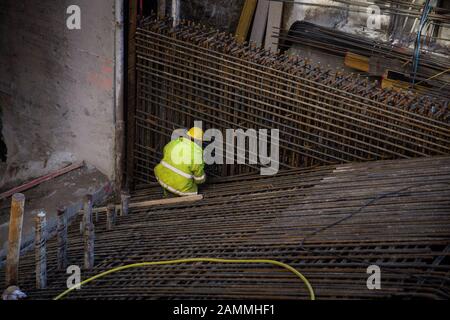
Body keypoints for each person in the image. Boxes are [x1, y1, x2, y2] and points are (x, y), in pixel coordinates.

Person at [154, 127, 206, 197]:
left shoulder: (173, 143)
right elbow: (199, 179)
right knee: (193, 189)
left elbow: (165, 151)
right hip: (182, 188)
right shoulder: (197, 154)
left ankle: (169, 192)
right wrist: (203, 177)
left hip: (162, 178)